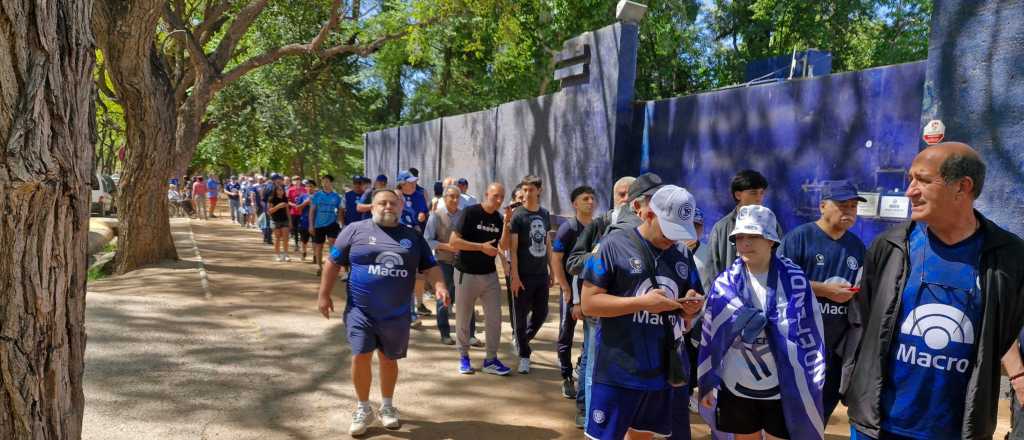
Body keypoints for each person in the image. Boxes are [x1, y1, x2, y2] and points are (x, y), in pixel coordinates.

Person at [845, 142, 1024, 440]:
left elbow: (1005, 330)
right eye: (911, 179)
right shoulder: (889, 247)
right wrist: (851, 384)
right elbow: (862, 322)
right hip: (878, 426)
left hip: (957, 430)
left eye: (924, 181)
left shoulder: (1008, 257)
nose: (910, 191)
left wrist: (1016, 374)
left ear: (962, 187)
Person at [316, 188, 450, 436]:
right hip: (360, 311)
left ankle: (387, 407)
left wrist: (440, 285)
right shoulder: (355, 230)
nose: (388, 206)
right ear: (372, 206)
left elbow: (430, 266)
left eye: (392, 203)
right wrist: (323, 294)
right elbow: (333, 262)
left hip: (396, 313)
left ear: (401, 207)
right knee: (360, 355)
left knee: (389, 359)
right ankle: (363, 408)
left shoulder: (412, 236)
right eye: (382, 203)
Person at [580, 184, 706, 440]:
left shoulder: (682, 254)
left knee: (642, 436)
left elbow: (689, 305)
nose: (673, 238)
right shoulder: (612, 245)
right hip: (618, 371)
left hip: (661, 372)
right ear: (648, 214)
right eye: (669, 229)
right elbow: (589, 304)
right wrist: (641, 303)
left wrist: (691, 308)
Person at [698, 204, 826, 440]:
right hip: (736, 386)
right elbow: (711, 335)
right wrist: (707, 380)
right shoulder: (725, 283)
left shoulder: (795, 281)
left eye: (754, 236)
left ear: (771, 240)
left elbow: (810, 334)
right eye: (740, 237)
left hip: (783, 390)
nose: (746, 243)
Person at [778, 179, 867, 423]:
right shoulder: (800, 238)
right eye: (842, 205)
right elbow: (777, 284)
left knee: (819, 413)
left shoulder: (857, 247)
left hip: (834, 349)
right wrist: (823, 290)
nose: (848, 211)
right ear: (822, 206)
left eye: (853, 206)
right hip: (798, 344)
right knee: (787, 415)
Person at [448, 182, 513, 376]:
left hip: (490, 275)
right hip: (465, 273)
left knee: (495, 319)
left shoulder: (499, 218)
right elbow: (454, 242)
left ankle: (491, 359)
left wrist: (506, 224)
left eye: (502, 197)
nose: (499, 200)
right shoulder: (470, 212)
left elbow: (503, 246)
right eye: (495, 196)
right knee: (463, 317)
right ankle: (464, 357)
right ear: (486, 194)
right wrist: (480, 247)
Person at [506, 175, 554, 374]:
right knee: (520, 315)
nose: (527, 194)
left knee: (541, 314)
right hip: (523, 274)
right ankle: (524, 355)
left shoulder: (544, 213)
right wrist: (515, 276)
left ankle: (521, 339)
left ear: (539, 191)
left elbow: (547, 242)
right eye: (524, 190)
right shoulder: (518, 215)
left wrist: (553, 269)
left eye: (530, 190)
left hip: (541, 273)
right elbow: (513, 249)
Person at [551, 185, 596, 399]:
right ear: (575, 203)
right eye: (585, 198)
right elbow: (556, 259)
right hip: (571, 293)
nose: (590, 202)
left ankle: (582, 366)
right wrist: (565, 287)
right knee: (566, 333)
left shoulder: (600, 228)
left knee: (592, 334)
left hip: (594, 294)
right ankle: (566, 376)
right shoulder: (568, 229)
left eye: (593, 198)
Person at [424, 185, 479, 345]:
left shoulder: (466, 215)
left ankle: (470, 335)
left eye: (458, 197)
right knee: (444, 298)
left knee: (468, 298)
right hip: (444, 262)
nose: (455, 200)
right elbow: (427, 240)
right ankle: (445, 333)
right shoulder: (436, 216)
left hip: (464, 263)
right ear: (444, 198)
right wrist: (447, 246)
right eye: (451, 196)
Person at [707, 170, 782, 283]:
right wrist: (718, 296)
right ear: (738, 195)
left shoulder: (772, 224)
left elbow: (779, 260)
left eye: (762, 193)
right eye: (753, 193)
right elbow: (712, 269)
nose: (759, 198)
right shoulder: (721, 228)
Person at [397, 170, 432, 319]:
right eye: (410, 182)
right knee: (405, 275)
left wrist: (422, 216)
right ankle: (407, 310)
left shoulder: (418, 195)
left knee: (418, 273)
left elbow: (423, 212)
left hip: (415, 236)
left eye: (414, 181)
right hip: (399, 238)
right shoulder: (395, 197)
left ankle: (419, 304)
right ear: (402, 183)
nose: (413, 184)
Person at [309, 174, 342, 276]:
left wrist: (339, 222)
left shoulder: (336, 197)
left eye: (327, 181)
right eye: (323, 181)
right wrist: (311, 225)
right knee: (319, 246)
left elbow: (340, 211)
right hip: (319, 225)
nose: (324, 183)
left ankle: (331, 265)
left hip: (332, 224)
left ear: (331, 183)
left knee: (333, 243)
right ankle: (319, 266)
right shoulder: (317, 195)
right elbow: (312, 211)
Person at [294, 180, 314, 261]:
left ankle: (315, 256)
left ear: (314, 187)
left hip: (315, 222)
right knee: (304, 239)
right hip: (304, 221)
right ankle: (304, 252)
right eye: (307, 186)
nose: (309, 188)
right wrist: (305, 203)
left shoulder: (318, 196)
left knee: (315, 240)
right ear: (305, 187)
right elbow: (297, 208)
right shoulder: (302, 196)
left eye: (311, 186)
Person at [287, 176, 308, 252]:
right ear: (292, 181)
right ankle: (296, 244)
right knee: (295, 228)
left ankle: (302, 243)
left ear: (300, 181)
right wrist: (293, 205)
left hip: (302, 212)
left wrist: (302, 205)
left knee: (301, 228)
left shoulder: (304, 190)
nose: (296, 181)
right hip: (293, 212)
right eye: (295, 180)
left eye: (298, 180)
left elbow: (307, 199)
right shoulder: (290, 190)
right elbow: (288, 201)